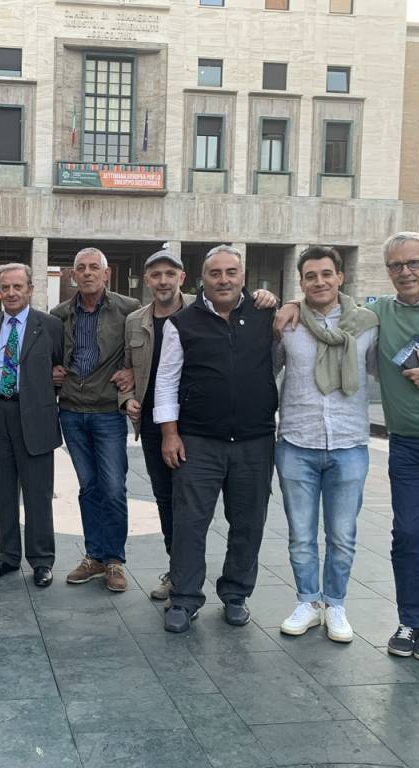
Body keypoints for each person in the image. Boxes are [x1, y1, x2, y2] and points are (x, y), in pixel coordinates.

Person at [276, 232, 419, 661]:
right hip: (406, 444)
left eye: (413, 263)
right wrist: (289, 303)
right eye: (396, 266)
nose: (405, 272)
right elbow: (320, 305)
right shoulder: (379, 313)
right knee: (405, 536)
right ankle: (408, 619)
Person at [155, 245, 277, 633]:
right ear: (201, 279)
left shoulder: (265, 314)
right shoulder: (182, 323)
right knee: (190, 522)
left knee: (248, 521)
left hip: (255, 441)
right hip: (198, 441)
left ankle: (236, 594)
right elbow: (166, 381)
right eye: (215, 273)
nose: (223, 280)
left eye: (230, 272)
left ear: (242, 276)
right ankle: (185, 598)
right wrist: (169, 433)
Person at [274, 246, 377, 644]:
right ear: (301, 282)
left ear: (340, 277)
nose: (319, 281)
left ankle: (335, 603)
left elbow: (378, 370)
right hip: (298, 442)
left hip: (350, 443)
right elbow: (266, 368)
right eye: (311, 276)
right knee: (301, 533)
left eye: (326, 274)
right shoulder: (288, 322)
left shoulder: (368, 324)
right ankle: (308, 602)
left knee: (342, 534)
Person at [52, 247, 141, 593]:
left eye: (94, 268)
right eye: (81, 268)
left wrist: (133, 370)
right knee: (88, 487)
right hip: (72, 411)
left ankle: (115, 559)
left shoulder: (129, 310)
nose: (87, 273)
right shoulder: (59, 315)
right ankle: (95, 557)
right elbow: (46, 354)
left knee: (114, 488)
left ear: (106, 274)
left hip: (107, 412)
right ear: (73, 276)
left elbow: (169, 320)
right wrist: (51, 369)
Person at [0, 263, 64, 587]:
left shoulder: (51, 326)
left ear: (30, 289)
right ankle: (8, 555)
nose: (12, 293)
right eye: (6, 287)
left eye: (18, 287)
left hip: (36, 418)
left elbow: (59, 367)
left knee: (38, 494)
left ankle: (42, 561)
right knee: (2, 492)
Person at [119, 249, 195, 601]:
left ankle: (191, 573)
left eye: (169, 273)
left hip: (196, 424)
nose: (162, 280)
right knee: (165, 499)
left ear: (182, 277)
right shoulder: (135, 320)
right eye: (155, 275)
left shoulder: (202, 308)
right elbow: (125, 371)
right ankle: (176, 571)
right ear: (146, 281)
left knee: (193, 503)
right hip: (152, 425)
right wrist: (128, 398)